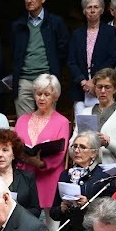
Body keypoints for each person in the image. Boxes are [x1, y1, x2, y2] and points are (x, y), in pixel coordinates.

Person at [14, 73, 70, 217]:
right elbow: (14, 146)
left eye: (47, 94)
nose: (42, 98)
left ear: (55, 96)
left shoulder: (62, 121)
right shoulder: (22, 120)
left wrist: (40, 163)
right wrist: (26, 158)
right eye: (38, 94)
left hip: (49, 178)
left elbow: (61, 152)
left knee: (50, 225)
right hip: (25, 178)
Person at [50, 130, 116, 231]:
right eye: (75, 146)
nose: (77, 150)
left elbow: (109, 213)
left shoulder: (104, 176)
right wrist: (61, 208)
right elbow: (53, 213)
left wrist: (88, 205)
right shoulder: (66, 174)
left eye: (82, 147)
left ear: (94, 153)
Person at [11, 0, 69, 116]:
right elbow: (13, 52)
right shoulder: (18, 24)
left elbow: (63, 50)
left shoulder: (55, 22)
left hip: (46, 78)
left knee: (47, 122)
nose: (29, 0)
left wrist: (53, 70)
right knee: (24, 123)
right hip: (24, 79)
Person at [68, 0, 116, 115]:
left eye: (96, 7)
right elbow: (71, 61)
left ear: (102, 10)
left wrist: (95, 80)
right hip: (81, 88)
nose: (92, 10)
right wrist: (83, 82)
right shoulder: (77, 34)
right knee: (83, 123)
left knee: (102, 121)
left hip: (102, 86)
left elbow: (111, 59)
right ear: (84, 11)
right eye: (89, 7)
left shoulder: (110, 32)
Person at [73, 68, 116, 165]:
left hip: (113, 169)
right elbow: (71, 145)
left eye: (107, 87)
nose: (102, 91)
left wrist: (108, 143)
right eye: (99, 87)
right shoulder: (85, 112)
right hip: (85, 169)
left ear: (115, 89)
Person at [0, 128, 40, 218]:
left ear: (14, 154)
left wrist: (15, 213)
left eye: (5, 150)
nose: (0, 155)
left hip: (22, 224)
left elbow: (36, 210)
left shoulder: (27, 177)